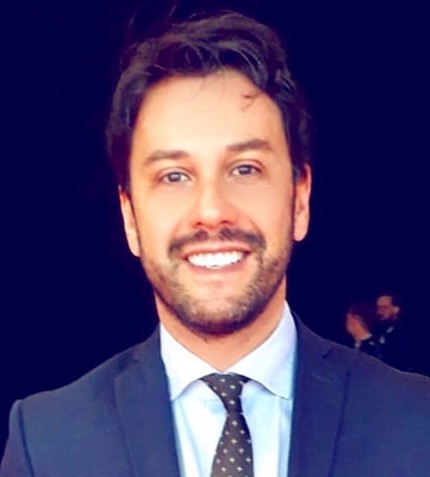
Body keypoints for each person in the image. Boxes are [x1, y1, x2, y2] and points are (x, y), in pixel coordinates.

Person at [2, 10, 430, 477]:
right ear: (129, 216)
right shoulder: (47, 441)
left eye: (245, 169)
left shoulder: (416, 422)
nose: (211, 210)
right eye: (174, 176)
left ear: (300, 199)